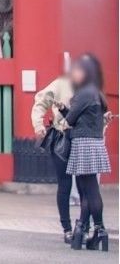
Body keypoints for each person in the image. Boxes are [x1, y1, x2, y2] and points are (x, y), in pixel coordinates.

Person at [59, 54, 111, 251]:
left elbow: (71, 120)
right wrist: (65, 109)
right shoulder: (96, 92)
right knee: (86, 189)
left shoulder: (84, 93)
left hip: (84, 143)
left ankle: (99, 229)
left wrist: (65, 117)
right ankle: (88, 228)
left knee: (89, 189)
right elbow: (82, 116)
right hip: (93, 142)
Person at [31, 60, 77, 243]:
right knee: (65, 184)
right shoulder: (61, 84)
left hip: (83, 139)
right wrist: (38, 125)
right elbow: (41, 101)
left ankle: (83, 226)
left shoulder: (90, 88)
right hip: (62, 138)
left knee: (86, 186)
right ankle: (67, 228)